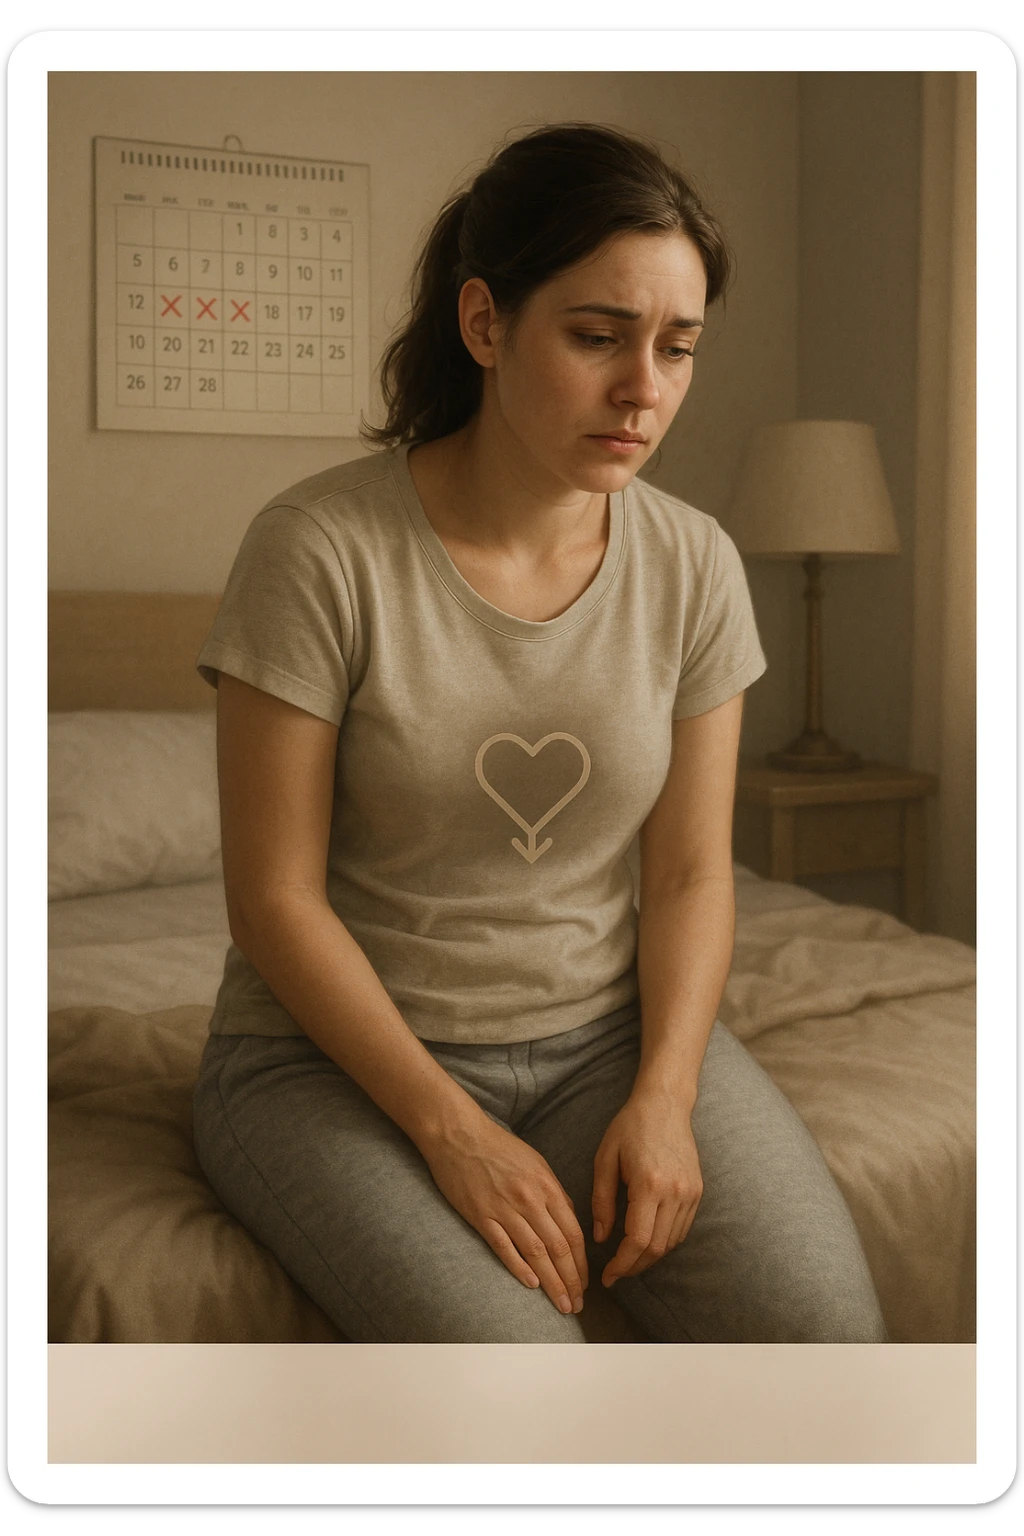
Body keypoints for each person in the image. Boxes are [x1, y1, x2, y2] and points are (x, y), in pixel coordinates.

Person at [191, 122, 888, 1344]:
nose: (645, 390)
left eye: (677, 348)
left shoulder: (697, 564)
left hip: (602, 1043)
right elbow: (275, 900)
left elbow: (684, 872)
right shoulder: (317, 551)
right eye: (597, 337)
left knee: (828, 1341)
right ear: (483, 325)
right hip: (328, 1067)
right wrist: (453, 1133)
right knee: (530, 1391)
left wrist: (666, 1095)